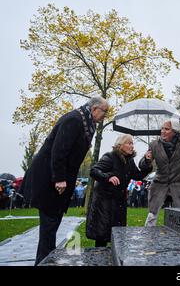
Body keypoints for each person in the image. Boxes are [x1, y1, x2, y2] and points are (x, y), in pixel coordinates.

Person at [19, 96, 109, 265]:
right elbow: (59, 150)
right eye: (105, 111)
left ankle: (46, 259)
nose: (105, 116)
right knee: (49, 223)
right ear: (94, 108)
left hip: (58, 178)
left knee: (52, 223)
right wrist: (59, 178)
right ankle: (44, 261)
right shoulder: (74, 120)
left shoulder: (86, 122)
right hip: (50, 179)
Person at [86, 134, 152, 247]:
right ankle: (98, 260)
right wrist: (108, 177)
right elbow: (94, 171)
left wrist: (146, 161)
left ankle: (115, 259)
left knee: (118, 234)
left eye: (132, 143)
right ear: (120, 145)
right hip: (104, 202)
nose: (132, 146)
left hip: (119, 202)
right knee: (102, 234)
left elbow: (138, 175)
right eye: (129, 143)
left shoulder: (129, 161)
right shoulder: (110, 157)